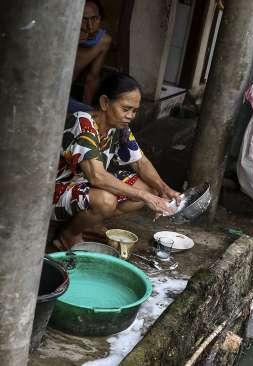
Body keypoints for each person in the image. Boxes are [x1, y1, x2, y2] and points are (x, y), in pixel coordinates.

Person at [53, 73, 180, 249]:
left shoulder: (120, 128)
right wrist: (146, 196)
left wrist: (164, 189)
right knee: (107, 200)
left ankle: (89, 222)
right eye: (125, 109)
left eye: (134, 111)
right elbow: (97, 176)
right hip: (54, 190)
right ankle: (68, 236)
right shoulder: (83, 123)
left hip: (83, 186)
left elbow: (139, 162)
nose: (130, 116)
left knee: (147, 187)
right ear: (105, 102)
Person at [71, 0, 112, 110]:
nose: (89, 26)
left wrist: (87, 110)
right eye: (84, 19)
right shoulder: (64, 35)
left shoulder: (103, 41)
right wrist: (73, 41)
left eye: (94, 19)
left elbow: (92, 78)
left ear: (100, 18)